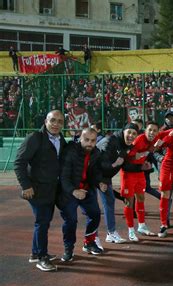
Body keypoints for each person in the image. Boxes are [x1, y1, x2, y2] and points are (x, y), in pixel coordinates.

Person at [14, 110, 66, 272]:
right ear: (45, 121)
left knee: (43, 221)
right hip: (36, 189)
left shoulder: (60, 139)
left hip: (50, 189)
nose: (56, 124)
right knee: (42, 222)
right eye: (53, 120)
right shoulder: (35, 138)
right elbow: (19, 162)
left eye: (60, 121)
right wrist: (25, 186)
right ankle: (42, 257)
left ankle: (36, 253)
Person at [58, 128, 107, 262]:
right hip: (69, 192)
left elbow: (95, 172)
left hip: (87, 190)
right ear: (80, 138)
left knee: (95, 214)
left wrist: (99, 183)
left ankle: (89, 242)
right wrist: (74, 191)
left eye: (93, 140)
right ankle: (68, 249)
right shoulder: (70, 152)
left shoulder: (96, 152)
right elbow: (64, 177)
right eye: (87, 140)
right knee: (71, 220)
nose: (90, 143)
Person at [96, 123, 140, 245]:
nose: (131, 136)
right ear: (123, 131)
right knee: (92, 208)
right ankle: (93, 238)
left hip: (105, 175)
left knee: (109, 201)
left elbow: (124, 164)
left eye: (134, 134)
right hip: (92, 174)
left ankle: (110, 233)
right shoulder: (110, 141)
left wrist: (142, 166)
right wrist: (103, 180)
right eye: (129, 132)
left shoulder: (128, 146)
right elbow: (100, 162)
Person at [121, 122, 158, 241]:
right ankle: (131, 230)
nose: (152, 132)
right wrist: (141, 157)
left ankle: (141, 225)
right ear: (145, 130)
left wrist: (145, 162)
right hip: (128, 174)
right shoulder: (138, 140)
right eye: (150, 130)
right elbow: (130, 158)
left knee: (141, 198)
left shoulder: (154, 139)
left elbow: (166, 133)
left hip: (140, 173)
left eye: (154, 130)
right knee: (129, 202)